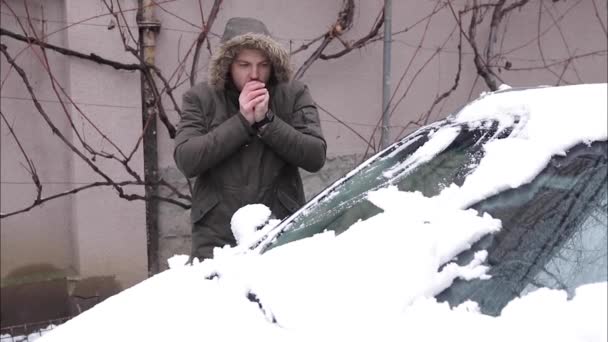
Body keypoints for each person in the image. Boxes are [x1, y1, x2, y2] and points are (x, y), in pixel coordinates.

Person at [174, 17, 327, 261]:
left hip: (280, 229)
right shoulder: (200, 98)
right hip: (216, 236)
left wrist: (267, 121)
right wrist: (242, 121)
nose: (254, 74)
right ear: (227, 65)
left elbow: (315, 156)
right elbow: (187, 159)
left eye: (263, 65)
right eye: (244, 65)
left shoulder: (293, 93)